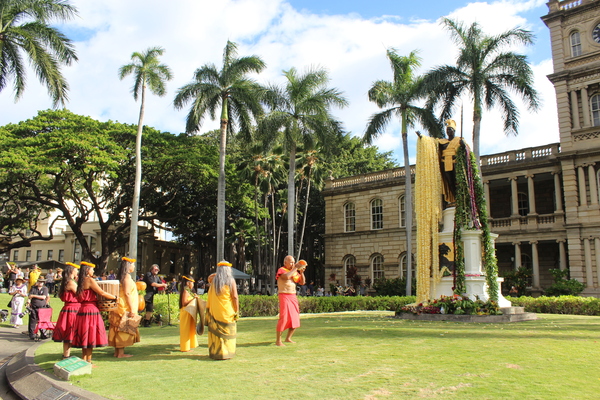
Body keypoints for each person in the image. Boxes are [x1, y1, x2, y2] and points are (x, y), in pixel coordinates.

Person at [71, 261, 117, 364]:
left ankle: (84, 360)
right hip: (91, 310)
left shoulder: (80, 281)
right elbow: (101, 292)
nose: (93, 271)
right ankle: (89, 361)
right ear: (87, 270)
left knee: (84, 335)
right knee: (90, 335)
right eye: (92, 269)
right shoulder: (90, 280)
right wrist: (114, 297)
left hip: (82, 310)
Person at [108, 257, 140, 358]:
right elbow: (127, 293)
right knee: (122, 329)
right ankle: (121, 353)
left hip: (120, 305)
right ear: (128, 266)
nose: (134, 266)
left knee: (118, 328)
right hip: (124, 306)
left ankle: (117, 352)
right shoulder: (127, 277)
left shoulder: (122, 276)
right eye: (133, 264)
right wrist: (132, 309)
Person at [206, 261, 239, 360]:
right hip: (227, 311)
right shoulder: (230, 280)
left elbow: (209, 277)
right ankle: (227, 353)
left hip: (215, 311)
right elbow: (235, 297)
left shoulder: (213, 281)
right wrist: (237, 310)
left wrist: (218, 273)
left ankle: (216, 353)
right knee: (228, 333)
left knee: (216, 334)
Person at [275, 256, 306, 346]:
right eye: (291, 262)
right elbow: (287, 277)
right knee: (284, 317)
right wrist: (296, 268)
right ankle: (278, 341)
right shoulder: (282, 270)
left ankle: (288, 338)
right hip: (284, 295)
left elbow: (302, 282)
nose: (293, 264)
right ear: (285, 263)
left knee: (295, 318)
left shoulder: (295, 272)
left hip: (293, 296)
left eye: (293, 262)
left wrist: (301, 273)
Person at [53, 262, 80, 359]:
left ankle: (66, 354)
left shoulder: (68, 281)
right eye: (76, 270)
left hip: (69, 308)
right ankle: (66, 355)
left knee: (69, 331)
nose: (77, 271)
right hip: (72, 309)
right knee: (69, 331)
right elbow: (80, 294)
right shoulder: (71, 282)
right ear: (72, 271)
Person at [437, 119, 463, 205]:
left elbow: (467, 151)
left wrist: (463, 145)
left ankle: (460, 198)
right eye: (447, 130)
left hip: (455, 162)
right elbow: (431, 143)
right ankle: (454, 198)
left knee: (457, 181)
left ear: (454, 130)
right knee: (450, 182)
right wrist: (422, 137)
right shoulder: (442, 142)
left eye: (450, 129)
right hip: (445, 163)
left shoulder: (459, 140)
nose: (448, 131)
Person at [179, 275, 199, 352]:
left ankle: (191, 345)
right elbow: (184, 303)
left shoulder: (189, 291)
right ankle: (185, 347)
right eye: (192, 283)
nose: (193, 285)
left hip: (189, 312)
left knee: (191, 328)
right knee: (185, 330)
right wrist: (194, 299)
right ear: (188, 283)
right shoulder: (185, 291)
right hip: (185, 311)